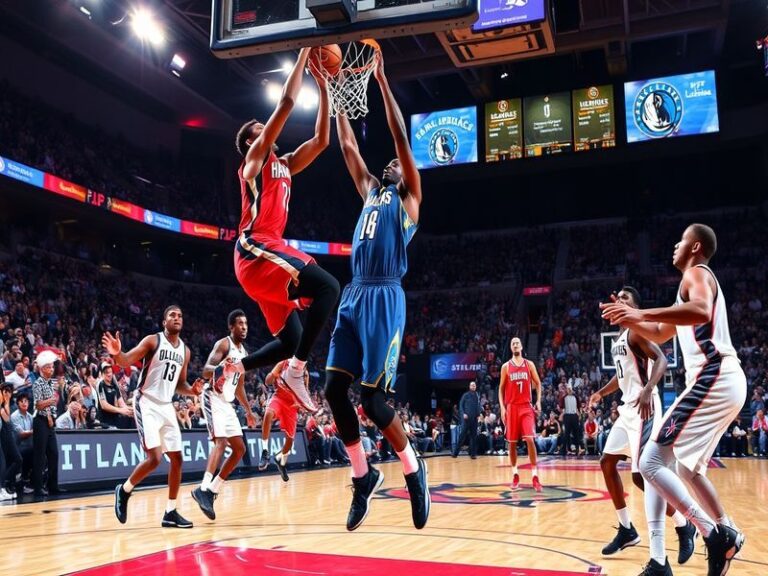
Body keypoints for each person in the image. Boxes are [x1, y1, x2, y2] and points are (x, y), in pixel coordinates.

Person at [314, 49, 428, 532]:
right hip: (354, 293)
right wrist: (331, 87)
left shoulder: (410, 200)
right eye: (388, 164)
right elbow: (345, 146)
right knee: (334, 390)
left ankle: (414, 470)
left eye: (398, 165)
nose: (390, 164)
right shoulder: (368, 192)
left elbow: (400, 136)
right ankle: (363, 476)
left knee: (374, 402)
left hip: (385, 296)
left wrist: (381, 80)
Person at [602, 224, 746, 576]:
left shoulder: (696, 273)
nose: (675, 245)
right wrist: (635, 318)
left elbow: (699, 311)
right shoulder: (687, 288)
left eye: (680, 241)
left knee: (651, 462)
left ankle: (713, 534)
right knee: (682, 469)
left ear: (695, 247)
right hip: (724, 382)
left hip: (713, 375)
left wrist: (644, 312)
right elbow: (659, 333)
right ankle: (725, 531)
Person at [228, 48, 337, 413]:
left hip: (266, 258)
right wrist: (306, 49)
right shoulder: (253, 161)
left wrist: (324, 87)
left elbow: (322, 141)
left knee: (291, 340)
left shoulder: (285, 164)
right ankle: (295, 373)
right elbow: (288, 101)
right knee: (328, 286)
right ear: (250, 142)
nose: (266, 126)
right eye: (260, 127)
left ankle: (235, 367)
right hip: (254, 249)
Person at [590, 287, 695, 572]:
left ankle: (684, 525)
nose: (620, 300)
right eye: (619, 297)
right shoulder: (619, 340)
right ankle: (627, 530)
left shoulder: (637, 332)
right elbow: (622, 375)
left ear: (635, 307)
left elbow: (661, 359)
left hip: (644, 409)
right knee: (607, 462)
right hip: (627, 409)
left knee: (642, 477)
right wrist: (601, 393)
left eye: (626, 299)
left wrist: (649, 389)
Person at [103, 305, 204, 528]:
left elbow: (180, 384)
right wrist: (117, 353)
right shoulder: (153, 341)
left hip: (166, 405)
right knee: (155, 458)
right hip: (146, 401)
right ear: (164, 322)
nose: (177, 318)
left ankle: (170, 512)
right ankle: (125, 489)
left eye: (180, 315)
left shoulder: (185, 351)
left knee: (177, 459)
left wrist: (193, 391)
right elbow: (126, 361)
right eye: (172, 315)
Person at [192, 309, 257, 521]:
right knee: (220, 443)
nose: (244, 327)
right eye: (240, 324)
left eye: (246, 324)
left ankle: (212, 490)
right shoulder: (224, 344)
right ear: (231, 327)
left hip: (227, 402)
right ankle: (203, 488)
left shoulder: (244, 354)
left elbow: (239, 387)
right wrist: (221, 368)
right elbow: (205, 369)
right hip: (212, 397)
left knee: (239, 449)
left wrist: (248, 411)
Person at [499, 337, 543, 491]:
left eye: (517, 343)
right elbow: (500, 389)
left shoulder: (529, 364)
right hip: (511, 407)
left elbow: (538, 383)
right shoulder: (506, 367)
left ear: (522, 346)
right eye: (513, 343)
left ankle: (535, 476)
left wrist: (538, 401)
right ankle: (515, 474)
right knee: (512, 442)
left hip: (526, 407)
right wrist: (502, 408)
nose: (515, 345)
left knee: (530, 439)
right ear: (511, 348)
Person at [258, 359, 307, 482]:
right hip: (279, 397)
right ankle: (265, 451)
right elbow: (268, 381)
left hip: (292, 405)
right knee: (268, 414)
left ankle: (281, 462)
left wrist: (302, 404)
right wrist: (271, 377)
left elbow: (305, 391)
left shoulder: (305, 373)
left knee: (290, 441)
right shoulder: (282, 364)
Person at [31, 350, 61, 497]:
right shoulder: (37, 383)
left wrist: (51, 416)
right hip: (40, 421)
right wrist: (50, 401)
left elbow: (51, 405)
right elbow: (37, 405)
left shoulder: (50, 383)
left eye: (52, 367)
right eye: (49, 367)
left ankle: (53, 485)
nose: (52, 369)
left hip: (50, 421)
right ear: (42, 369)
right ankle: (37, 487)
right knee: (40, 455)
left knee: (54, 454)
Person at [98, 363, 133, 429]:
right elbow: (104, 405)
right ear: (102, 374)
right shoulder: (100, 384)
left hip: (115, 419)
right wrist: (120, 410)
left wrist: (130, 411)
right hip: (104, 420)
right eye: (106, 372)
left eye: (110, 372)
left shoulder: (114, 385)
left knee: (131, 418)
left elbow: (122, 404)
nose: (109, 374)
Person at [453, 382, 481, 458]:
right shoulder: (465, 395)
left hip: (474, 419)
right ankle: (455, 453)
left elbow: (478, 406)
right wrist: (463, 414)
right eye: (472, 385)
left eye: (474, 385)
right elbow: (461, 405)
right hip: (466, 419)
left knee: (473, 437)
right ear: (469, 386)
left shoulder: (477, 395)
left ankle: (473, 454)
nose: (473, 386)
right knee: (462, 436)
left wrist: (478, 414)